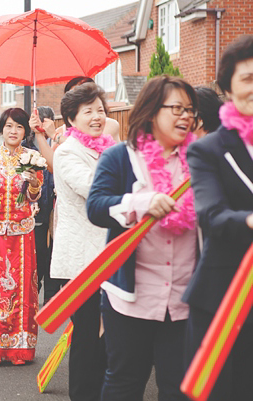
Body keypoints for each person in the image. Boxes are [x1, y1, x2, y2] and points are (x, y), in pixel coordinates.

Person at [87, 75, 199, 401]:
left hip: (184, 299)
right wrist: (141, 202)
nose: (185, 117)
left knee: (179, 387)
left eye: (190, 110)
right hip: (130, 300)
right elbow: (95, 207)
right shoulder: (120, 158)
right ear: (152, 112)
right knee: (125, 382)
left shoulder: (199, 160)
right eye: (176, 108)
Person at [183, 35, 253, 400]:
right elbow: (210, 215)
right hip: (225, 295)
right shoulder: (208, 149)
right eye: (248, 78)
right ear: (228, 88)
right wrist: (249, 220)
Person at [47, 82, 113, 401]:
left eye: (100, 110)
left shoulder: (107, 148)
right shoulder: (67, 152)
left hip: (107, 256)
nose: (97, 116)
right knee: (87, 337)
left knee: (105, 337)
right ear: (71, 119)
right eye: (88, 111)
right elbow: (94, 188)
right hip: (81, 262)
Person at [0, 107, 43, 366]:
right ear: (1, 129)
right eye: (9, 126)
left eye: (19, 127)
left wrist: (34, 183)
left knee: (25, 291)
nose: (13, 131)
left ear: (26, 131)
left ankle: (21, 347)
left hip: (22, 234)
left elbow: (35, 197)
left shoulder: (33, 157)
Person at [23, 106, 56, 304]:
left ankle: (51, 298)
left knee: (53, 253)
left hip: (56, 207)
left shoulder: (58, 142)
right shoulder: (27, 147)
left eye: (46, 121)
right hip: (36, 210)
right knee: (38, 256)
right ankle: (35, 293)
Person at [55, 76, 121, 143]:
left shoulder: (109, 124)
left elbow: (92, 147)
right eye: (88, 112)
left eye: (100, 110)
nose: (96, 117)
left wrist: (56, 137)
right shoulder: (60, 131)